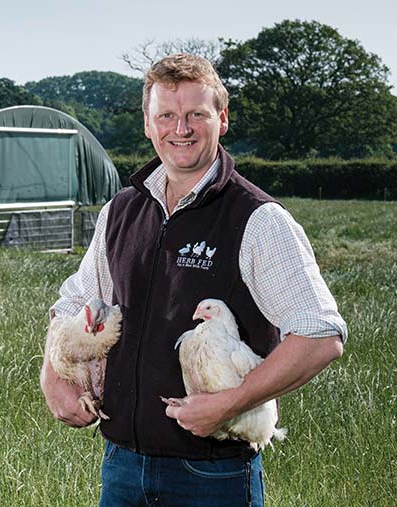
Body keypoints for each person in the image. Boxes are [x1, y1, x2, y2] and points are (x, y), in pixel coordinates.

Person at [40, 53, 346, 506]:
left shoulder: (257, 219)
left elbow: (322, 335)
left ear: (221, 120)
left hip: (212, 472)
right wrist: (52, 377)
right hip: (121, 464)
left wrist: (230, 402)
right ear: (148, 124)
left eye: (195, 115)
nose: (179, 128)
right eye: (166, 114)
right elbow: (76, 302)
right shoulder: (121, 211)